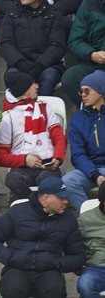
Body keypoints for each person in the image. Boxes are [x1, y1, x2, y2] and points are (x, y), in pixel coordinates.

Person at [0, 176, 85, 298]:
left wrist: (56, 263)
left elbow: (78, 256)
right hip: (17, 267)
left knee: (55, 291)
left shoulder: (68, 220)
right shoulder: (18, 212)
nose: (66, 202)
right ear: (46, 198)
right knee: (13, 289)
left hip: (49, 270)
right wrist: (11, 257)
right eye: (61, 198)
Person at [0, 71, 67, 200]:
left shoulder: (45, 108)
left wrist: (57, 158)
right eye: (32, 84)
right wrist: (25, 160)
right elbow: (0, 157)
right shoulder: (7, 118)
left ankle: (34, 206)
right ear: (23, 90)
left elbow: (59, 137)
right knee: (12, 180)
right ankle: (35, 204)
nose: (37, 86)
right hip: (21, 168)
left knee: (48, 180)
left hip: (47, 166)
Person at [0, 0, 68, 98]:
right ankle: (18, 115)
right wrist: (20, 62)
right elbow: (5, 44)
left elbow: (57, 46)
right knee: (12, 75)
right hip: (19, 65)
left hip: (48, 65)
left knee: (49, 76)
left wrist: (40, 64)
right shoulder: (12, 14)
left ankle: (43, 114)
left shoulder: (55, 15)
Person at [65, 71, 105, 211]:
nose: (83, 95)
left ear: (100, 92)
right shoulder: (78, 119)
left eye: (87, 91)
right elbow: (77, 154)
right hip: (91, 169)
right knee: (68, 182)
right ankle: (89, 218)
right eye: (81, 91)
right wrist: (95, 175)